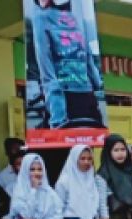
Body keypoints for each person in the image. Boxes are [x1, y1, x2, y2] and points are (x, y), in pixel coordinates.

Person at [29, 0, 104, 130]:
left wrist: (57, 119)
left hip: (70, 97)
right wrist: (96, 84)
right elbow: (88, 59)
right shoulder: (67, 17)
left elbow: (46, 68)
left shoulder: (44, 17)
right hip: (81, 95)